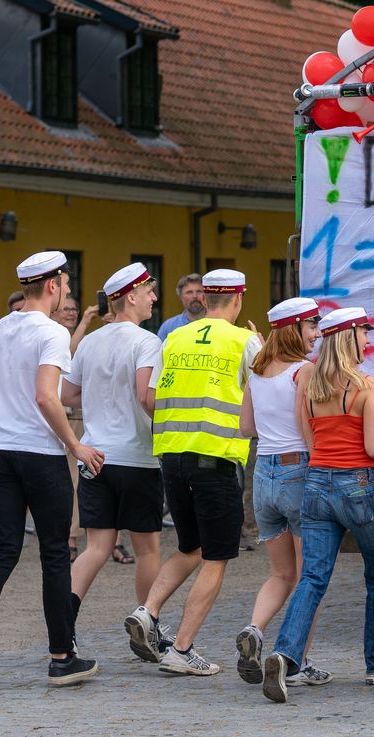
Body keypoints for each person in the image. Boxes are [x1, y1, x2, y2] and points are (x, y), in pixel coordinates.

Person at [0, 250, 103, 698]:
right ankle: (61, 657)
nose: (68, 292)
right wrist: (75, 445)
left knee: (3, 551)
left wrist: (11, 414)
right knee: (55, 553)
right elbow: (46, 397)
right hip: (40, 454)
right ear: (53, 285)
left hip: (1, 452)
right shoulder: (52, 332)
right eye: (67, 285)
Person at [262, 307, 374, 704]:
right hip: (358, 484)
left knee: (312, 578)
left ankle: (283, 653)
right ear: (349, 337)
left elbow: (308, 438)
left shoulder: (309, 385)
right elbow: (372, 446)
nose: (368, 339)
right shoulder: (368, 385)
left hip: (316, 484)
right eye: (364, 332)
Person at [125, 268, 261, 676]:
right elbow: (270, 390)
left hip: (171, 457)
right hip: (215, 459)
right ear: (237, 299)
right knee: (216, 558)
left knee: (190, 547)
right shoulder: (245, 340)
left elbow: (153, 397)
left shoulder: (175, 337)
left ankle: (147, 612)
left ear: (204, 300)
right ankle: (181, 650)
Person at [61, 263, 164, 643]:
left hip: (94, 454)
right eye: (149, 292)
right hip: (136, 455)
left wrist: (100, 405)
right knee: (148, 548)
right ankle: (148, 626)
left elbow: (67, 395)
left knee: (96, 547)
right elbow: (145, 396)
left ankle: (63, 624)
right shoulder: (147, 341)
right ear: (130, 298)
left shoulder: (90, 341)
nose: (154, 298)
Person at [235, 297, 333, 688]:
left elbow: (246, 427)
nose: (316, 335)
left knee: (280, 573)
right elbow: (304, 424)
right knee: (310, 575)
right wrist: (319, 463)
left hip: (264, 476)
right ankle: (299, 659)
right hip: (298, 470)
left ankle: (255, 630)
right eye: (311, 327)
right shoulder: (303, 372)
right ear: (294, 329)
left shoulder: (257, 373)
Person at [52, 294, 97, 561]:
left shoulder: (88, 340)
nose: (71, 313)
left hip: (84, 413)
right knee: (71, 478)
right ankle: (69, 536)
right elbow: (68, 355)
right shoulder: (54, 335)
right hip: (64, 415)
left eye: (74, 309)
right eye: (66, 309)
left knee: (89, 478)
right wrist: (85, 322)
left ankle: (100, 538)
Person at [156, 273, 206, 343]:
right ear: (181, 296)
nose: (195, 296)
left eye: (199, 291)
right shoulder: (168, 327)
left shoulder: (218, 323)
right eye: (189, 292)